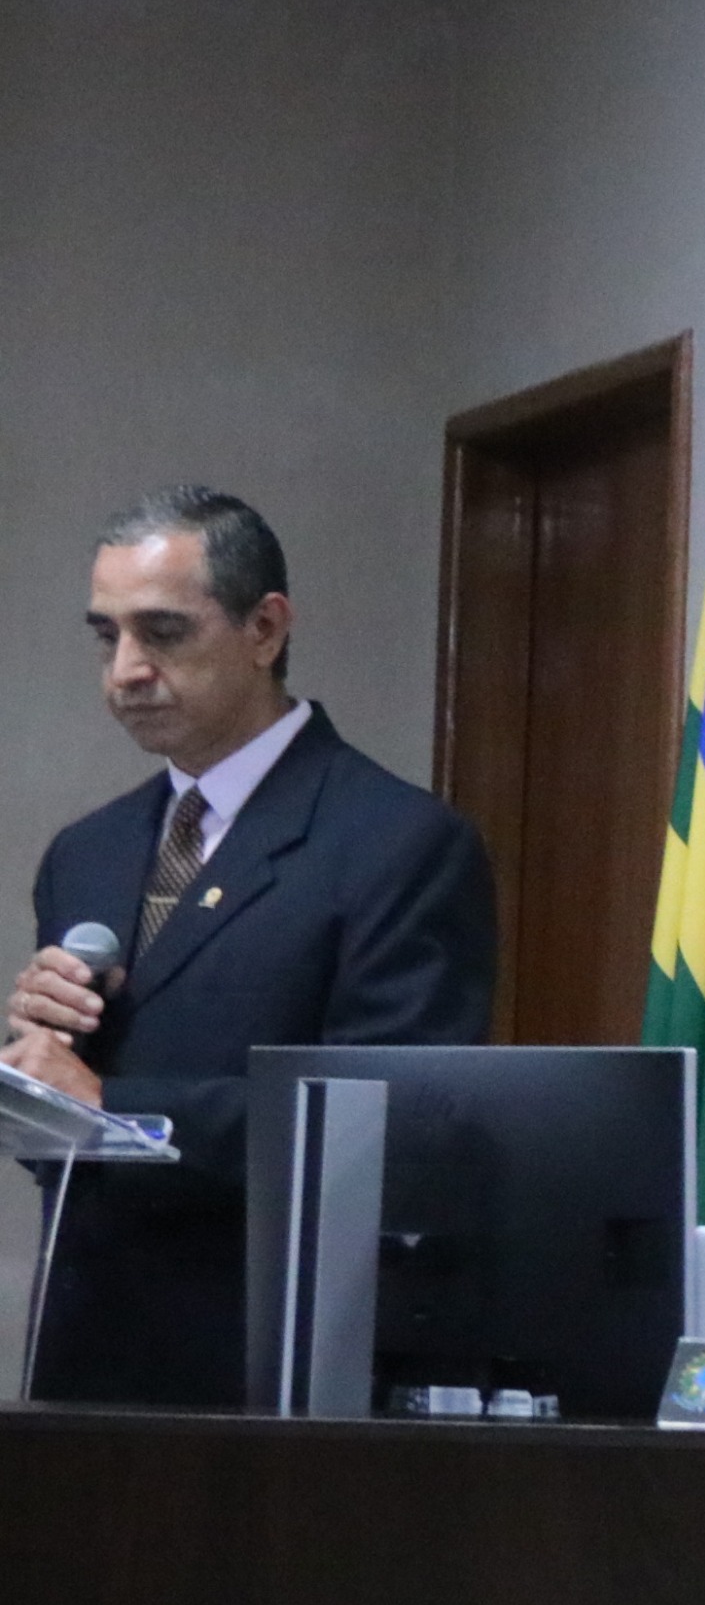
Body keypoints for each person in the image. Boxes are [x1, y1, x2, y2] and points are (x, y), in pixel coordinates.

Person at [6, 487, 496, 1407]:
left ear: (265, 628)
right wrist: (34, 1071)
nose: (126, 670)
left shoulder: (398, 843)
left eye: (162, 632)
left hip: (271, 1364)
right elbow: (63, 1134)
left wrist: (115, 1108)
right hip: (86, 1365)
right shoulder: (88, 851)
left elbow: (398, 1118)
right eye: (106, 637)